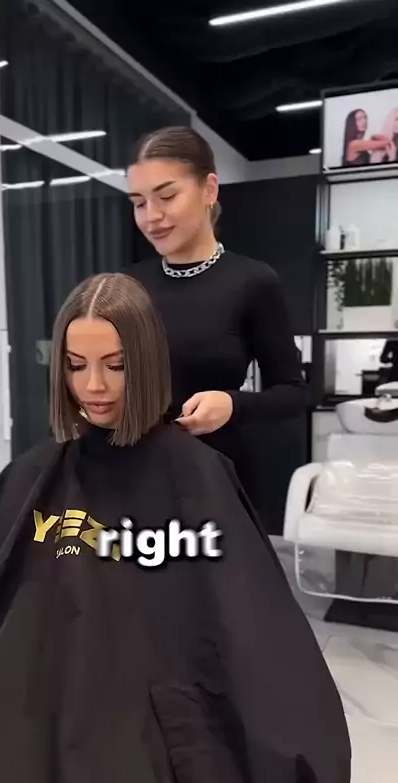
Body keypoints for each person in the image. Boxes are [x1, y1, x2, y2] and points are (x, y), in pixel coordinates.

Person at [0, 273, 350, 783]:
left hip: (150, 713)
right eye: (76, 365)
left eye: (115, 366)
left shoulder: (197, 477)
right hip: (39, 702)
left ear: (145, 362)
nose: (93, 386)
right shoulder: (31, 477)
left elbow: (241, 632)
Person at [125, 125, 307, 521]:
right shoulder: (128, 285)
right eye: (139, 203)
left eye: (167, 196)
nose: (151, 216)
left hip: (215, 482)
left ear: (209, 189)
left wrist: (232, 404)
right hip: (133, 478)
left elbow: (293, 392)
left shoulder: (253, 282)